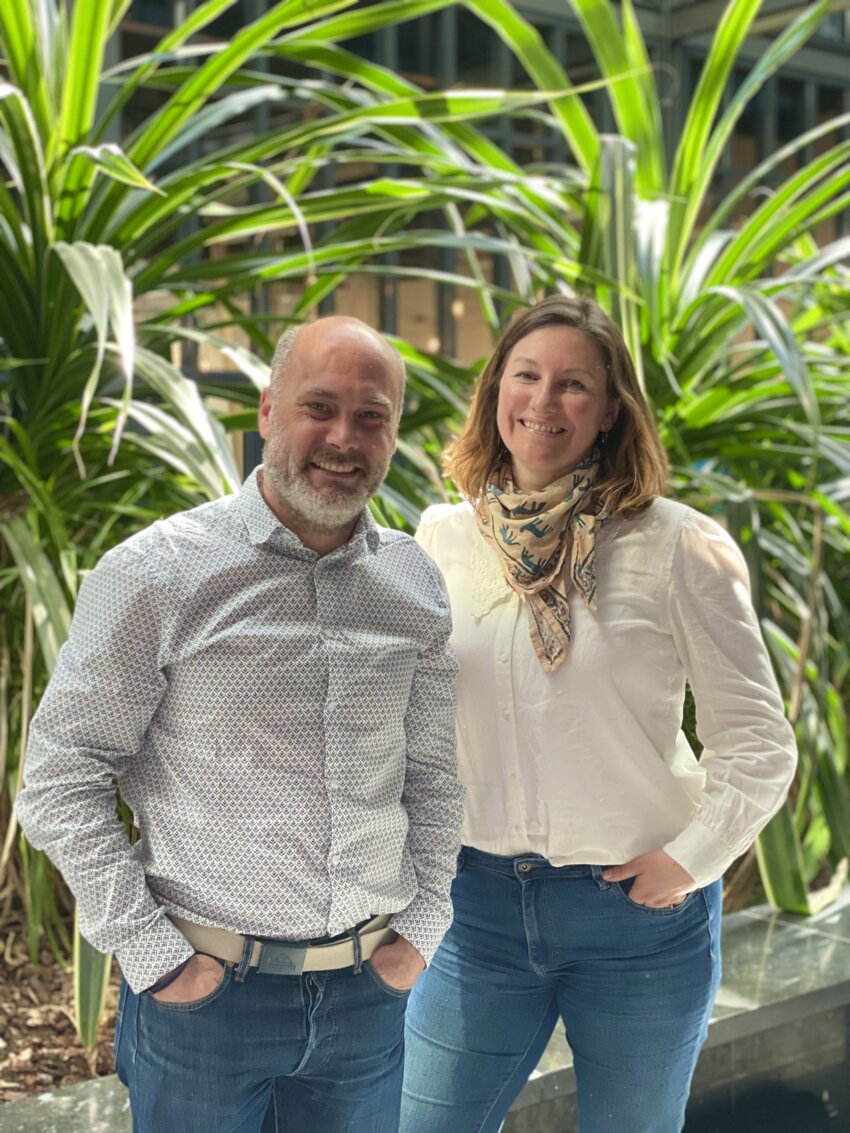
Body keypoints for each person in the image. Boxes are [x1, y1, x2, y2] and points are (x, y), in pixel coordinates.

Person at [16, 316, 463, 1133]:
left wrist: (423, 929)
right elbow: (60, 778)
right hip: (206, 1003)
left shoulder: (412, 582)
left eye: (373, 416)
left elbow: (433, 776)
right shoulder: (155, 573)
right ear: (265, 411)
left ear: (394, 433)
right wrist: (157, 959)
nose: (343, 436)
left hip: (370, 997)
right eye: (318, 406)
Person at [400, 295, 797, 1133]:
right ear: (494, 392)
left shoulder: (676, 544)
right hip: (476, 911)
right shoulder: (439, 538)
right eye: (526, 376)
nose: (544, 403)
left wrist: (691, 861)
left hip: (636, 917)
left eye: (574, 384)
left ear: (612, 409)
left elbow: (759, 741)